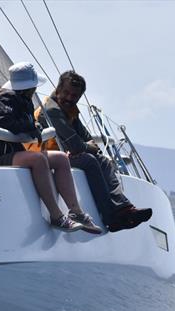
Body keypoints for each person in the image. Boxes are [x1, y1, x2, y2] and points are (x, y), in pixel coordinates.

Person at [0, 62, 102, 234]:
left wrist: (34, 128)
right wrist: (31, 128)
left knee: (61, 158)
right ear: (30, 87)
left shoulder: (23, 100)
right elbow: (5, 121)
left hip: (15, 153)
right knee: (39, 159)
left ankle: (76, 212)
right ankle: (57, 216)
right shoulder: (6, 98)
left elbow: (28, 124)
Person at [35, 71, 152, 232]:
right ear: (58, 88)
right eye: (66, 93)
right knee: (89, 160)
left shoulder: (69, 109)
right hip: (48, 157)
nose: (69, 98)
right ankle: (111, 217)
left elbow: (86, 138)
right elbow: (76, 144)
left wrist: (84, 146)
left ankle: (124, 208)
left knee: (102, 160)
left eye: (74, 95)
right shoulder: (52, 109)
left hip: (63, 155)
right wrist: (84, 147)